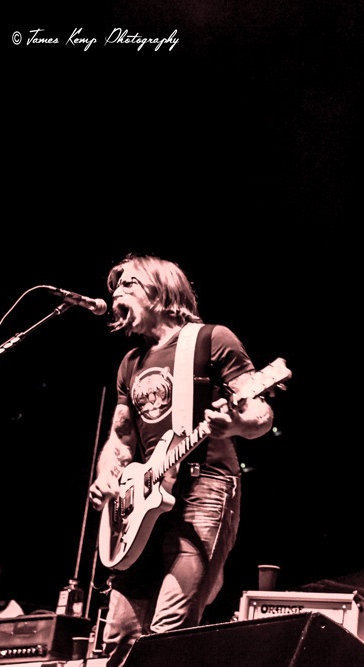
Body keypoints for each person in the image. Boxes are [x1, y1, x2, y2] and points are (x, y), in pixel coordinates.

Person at [87, 254, 275, 666]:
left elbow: (260, 414)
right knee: (119, 635)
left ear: (162, 291)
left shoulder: (211, 339)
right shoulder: (130, 363)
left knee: (169, 630)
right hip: (141, 501)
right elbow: (121, 439)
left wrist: (233, 424)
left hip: (203, 486)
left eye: (128, 285)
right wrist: (106, 477)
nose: (116, 294)